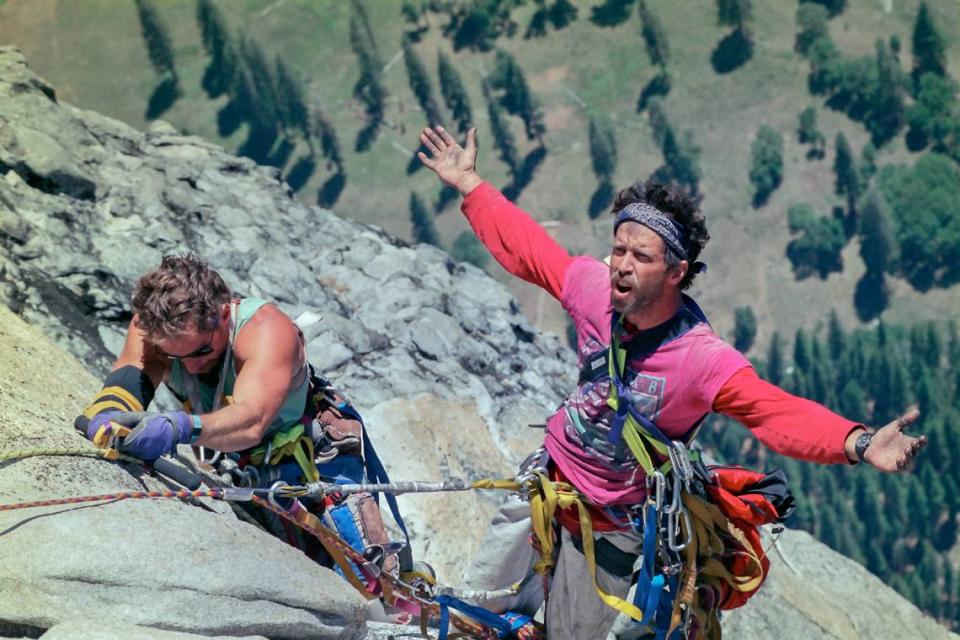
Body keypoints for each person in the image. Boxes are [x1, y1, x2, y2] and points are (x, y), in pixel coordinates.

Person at [417, 125, 927, 639]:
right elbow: (530, 250)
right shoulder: (593, 289)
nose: (621, 266)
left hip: (611, 529)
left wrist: (858, 442)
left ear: (677, 271)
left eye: (641, 257)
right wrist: (471, 185)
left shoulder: (700, 359)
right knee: (470, 617)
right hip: (546, 484)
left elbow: (774, 411)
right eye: (618, 250)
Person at [76, 254, 410, 592]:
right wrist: (107, 416)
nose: (190, 368)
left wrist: (178, 428)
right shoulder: (153, 325)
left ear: (223, 314)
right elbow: (131, 376)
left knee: (368, 582)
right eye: (176, 358)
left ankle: (397, 574)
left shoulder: (268, 330)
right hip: (237, 458)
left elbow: (252, 421)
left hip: (312, 457)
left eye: (201, 352)